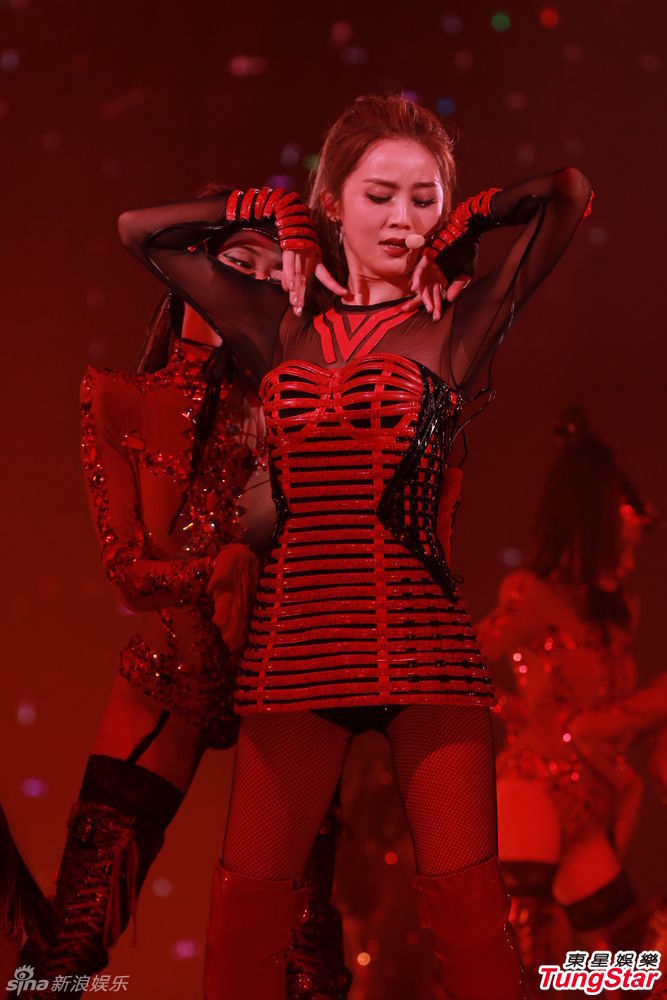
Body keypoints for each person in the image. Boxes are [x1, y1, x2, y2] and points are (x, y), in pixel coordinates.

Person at [117, 93, 593, 999]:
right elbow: (140, 233)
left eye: (423, 198)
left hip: (424, 657)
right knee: (242, 938)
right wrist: (268, 211)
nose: (402, 219)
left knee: (471, 936)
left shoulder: (455, 323)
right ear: (333, 204)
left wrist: (470, 222)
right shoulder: (282, 322)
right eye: (380, 195)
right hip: (296, 656)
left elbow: (565, 193)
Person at [17, 214, 351, 1000]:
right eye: (236, 261)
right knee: (74, 940)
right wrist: (217, 569)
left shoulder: (302, 410)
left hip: (286, 678)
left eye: (273, 273)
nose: (252, 283)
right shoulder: (121, 398)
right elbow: (128, 575)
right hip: (170, 671)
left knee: (304, 957)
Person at [476, 408, 658, 991]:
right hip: (532, 794)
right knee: (523, 958)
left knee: (634, 966)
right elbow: (462, 660)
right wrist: (519, 715)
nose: (628, 562)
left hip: (588, 810)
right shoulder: (533, 596)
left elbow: (614, 718)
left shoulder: (616, 618)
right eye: (622, 545)